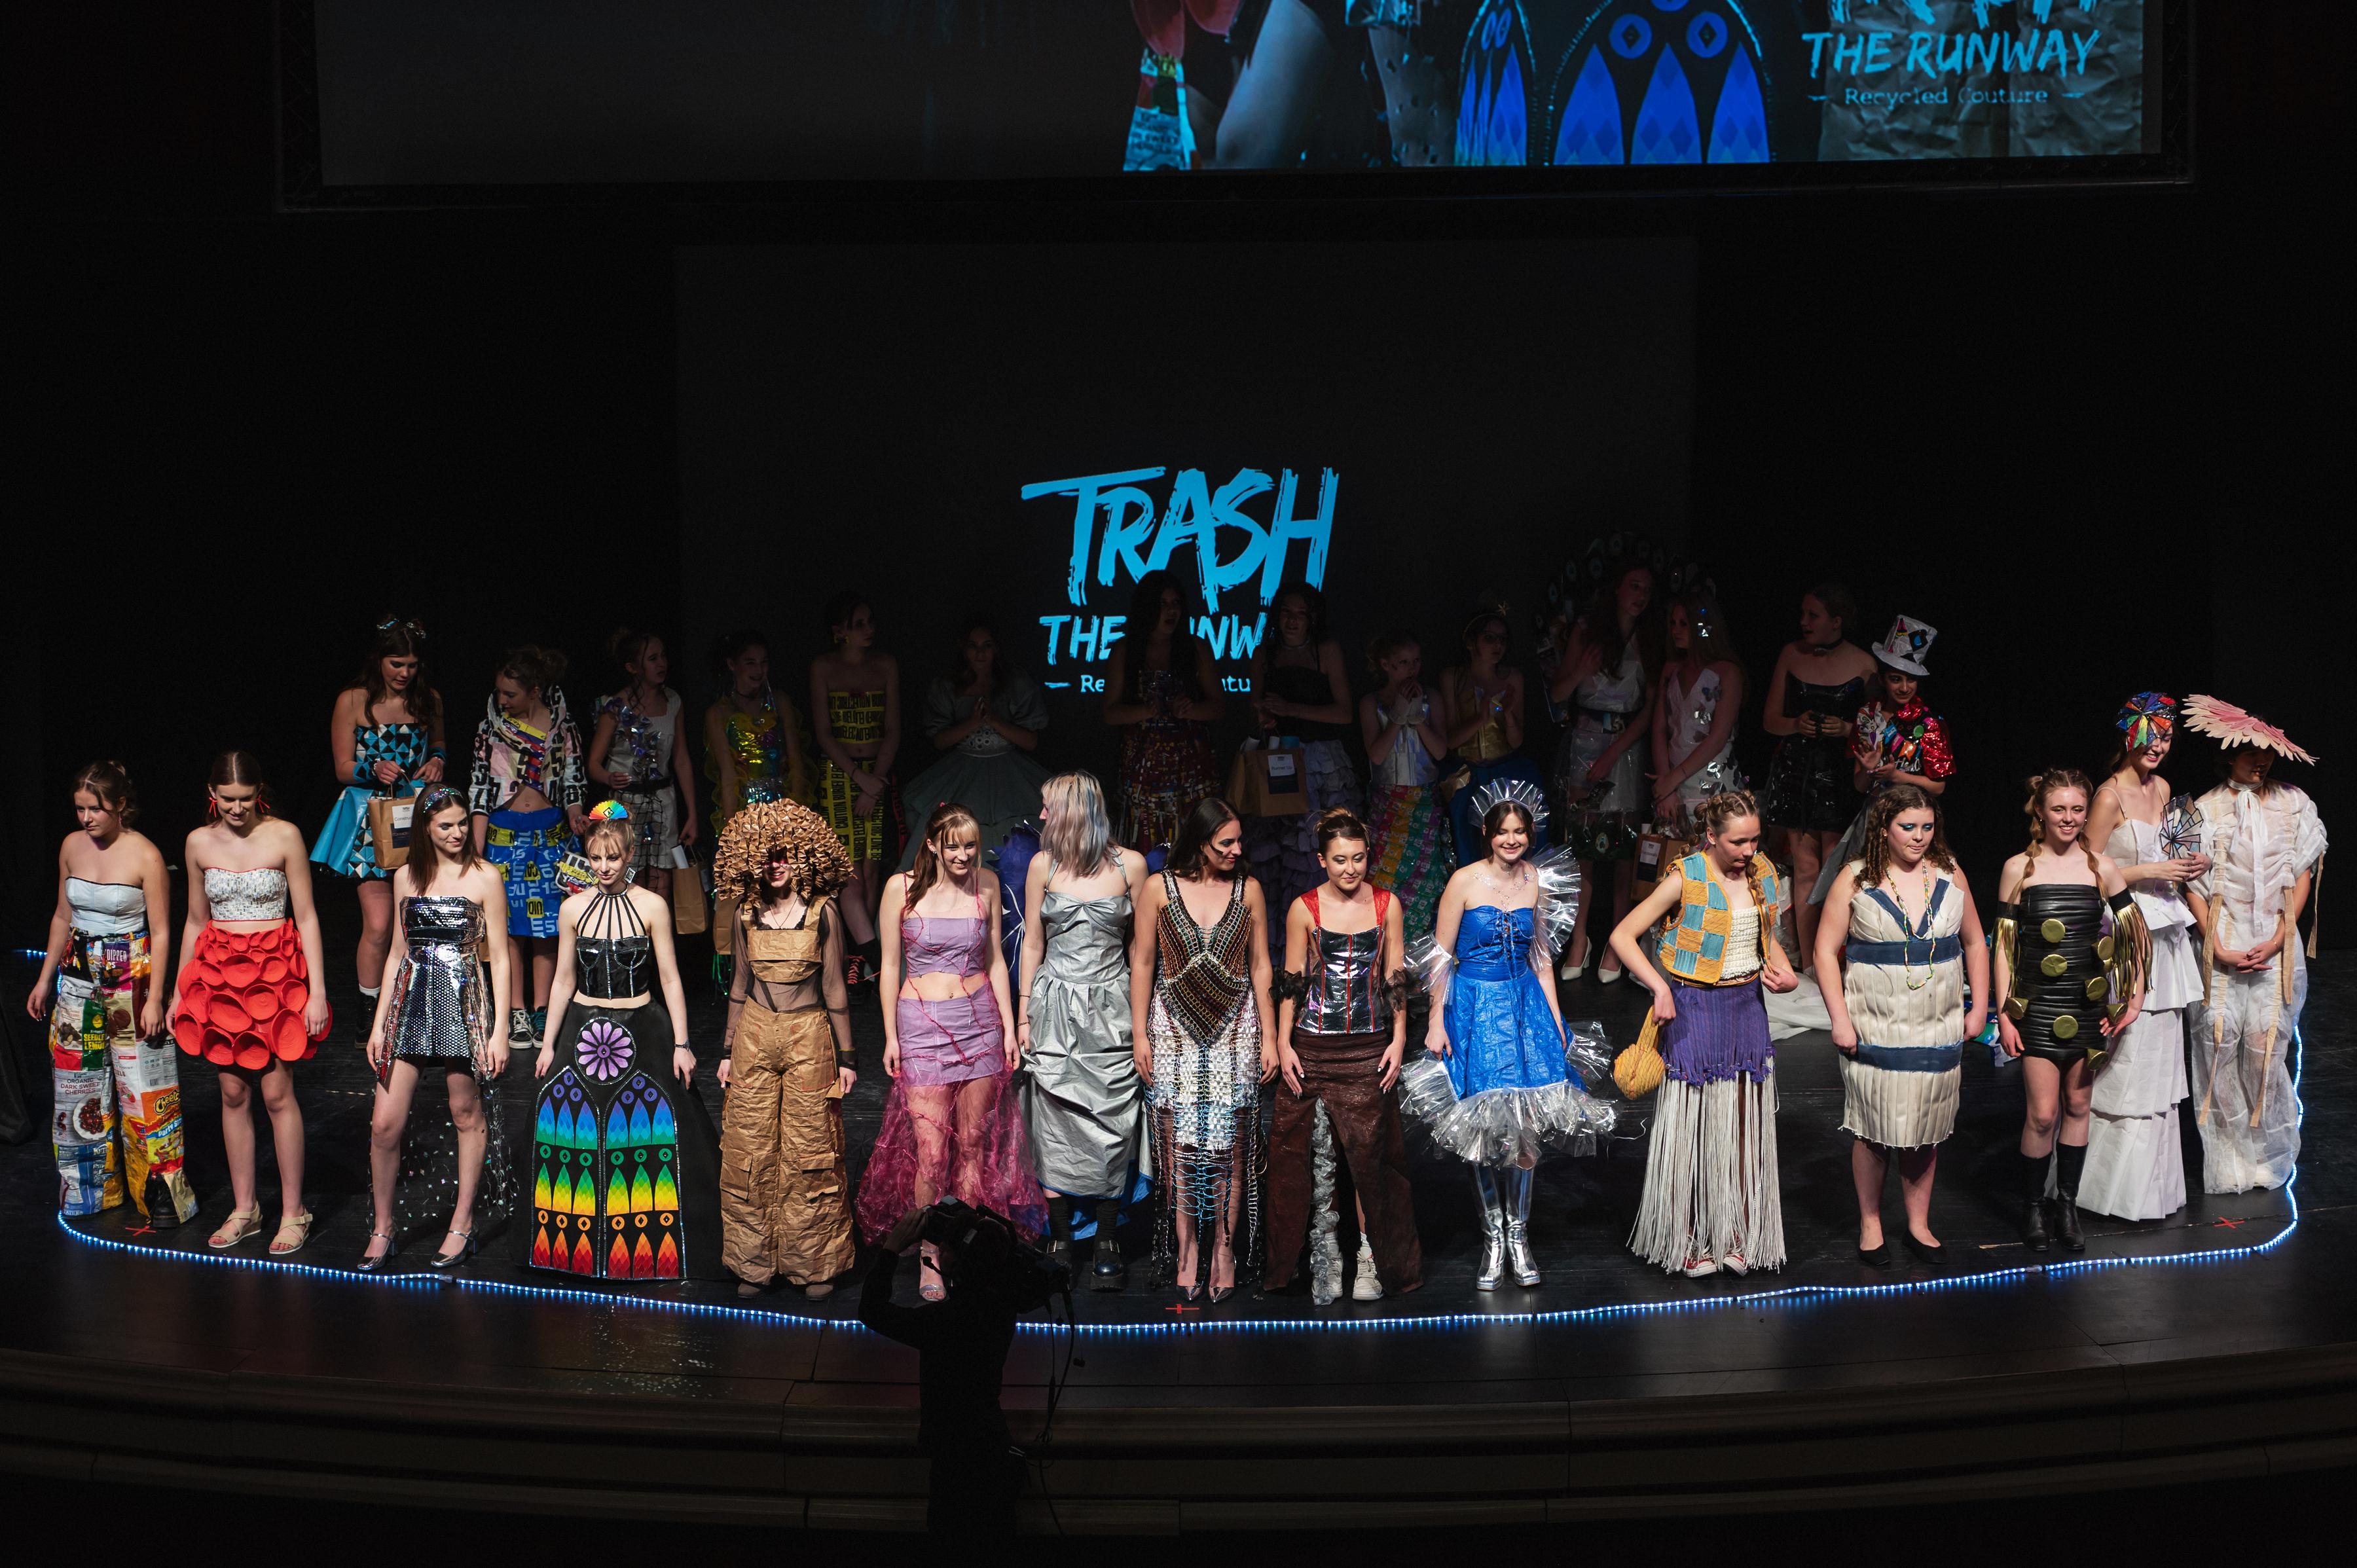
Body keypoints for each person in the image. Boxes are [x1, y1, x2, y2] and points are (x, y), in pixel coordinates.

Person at [1400, 784, 1613, 1290]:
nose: (1512, 839)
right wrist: (1434, 1020)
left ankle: (1519, 1235)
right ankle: (1493, 1235)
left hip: (1522, 1007)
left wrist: (1556, 1018)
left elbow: (1541, 958)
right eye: (1504, 832)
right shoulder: (1463, 881)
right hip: (1475, 1006)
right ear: (1488, 835)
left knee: (1526, 1127)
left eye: (1520, 831)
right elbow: (1441, 957)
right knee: (1482, 1127)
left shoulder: (1537, 880)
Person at [521, 801, 724, 1281]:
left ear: (630, 853)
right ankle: (577, 1254)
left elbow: (672, 979)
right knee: (576, 1135)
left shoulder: (652, 905)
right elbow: (563, 980)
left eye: (613, 857)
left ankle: (654, 1252)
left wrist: (682, 1042)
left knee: (652, 1134)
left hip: (643, 1031)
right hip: (583, 1032)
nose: (605, 867)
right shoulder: (572, 908)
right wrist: (548, 1042)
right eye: (597, 857)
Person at [859, 804, 1046, 1300]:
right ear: (933, 846)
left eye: (970, 845)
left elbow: (995, 962)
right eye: (954, 846)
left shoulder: (986, 883)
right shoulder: (900, 889)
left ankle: (963, 1251)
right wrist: (891, 1036)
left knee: (972, 1146)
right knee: (930, 1151)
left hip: (980, 1022)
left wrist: (1008, 1026)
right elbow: (890, 968)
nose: (963, 855)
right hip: (921, 1027)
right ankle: (928, 1256)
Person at [1613, 789, 1800, 1278]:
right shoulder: (1686, 876)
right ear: (1712, 836)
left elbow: (1768, 941)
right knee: (1690, 1126)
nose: (1749, 851)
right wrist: (1658, 986)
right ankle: (1689, 1236)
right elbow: (1622, 935)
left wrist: (1788, 974)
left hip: (1747, 1007)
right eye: (1739, 842)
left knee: (1743, 1122)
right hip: (1694, 1004)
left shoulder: (1764, 875)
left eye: (1756, 840)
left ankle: (1738, 1232)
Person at [1812, 785, 1988, 1266]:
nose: (1919, 836)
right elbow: (1825, 951)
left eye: (1927, 826)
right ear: (1884, 829)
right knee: (1874, 1126)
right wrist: (1840, 1019)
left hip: (1937, 1023)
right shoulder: (1855, 878)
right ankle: (1871, 1224)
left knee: (1927, 1124)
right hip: (1875, 1022)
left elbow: (1975, 941)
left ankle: (1917, 1223)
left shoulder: (1950, 873)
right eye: (1908, 827)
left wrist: (1980, 1008)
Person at [168, 752, 332, 1254]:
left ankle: (293, 1211)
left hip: (277, 976)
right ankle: (246, 1208)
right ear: (211, 793)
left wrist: (319, 989)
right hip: (220, 976)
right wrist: (179, 988)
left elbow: (306, 915)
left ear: (259, 792)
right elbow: (196, 920)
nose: (236, 809)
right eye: (227, 799)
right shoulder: (198, 841)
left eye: (244, 799)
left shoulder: (284, 835)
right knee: (233, 1095)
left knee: (278, 1095)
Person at [31, 761, 197, 1226]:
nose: (86, 818)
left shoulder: (145, 854)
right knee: (76, 1082)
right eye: (81, 809)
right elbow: (62, 916)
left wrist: (156, 997)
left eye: (96, 809)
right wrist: (46, 978)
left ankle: (160, 1191)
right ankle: (89, 1188)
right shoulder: (70, 846)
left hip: (131, 971)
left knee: (144, 1083)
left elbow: (162, 931)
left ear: (120, 805)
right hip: (79, 972)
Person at [1266, 809, 1421, 1304]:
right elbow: (1292, 980)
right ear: (1321, 860)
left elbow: (1396, 977)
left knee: (1370, 1159)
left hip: (1368, 1044)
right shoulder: (1303, 908)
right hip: (1313, 1044)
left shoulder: (1386, 904)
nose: (1350, 868)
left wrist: (1399, 1039)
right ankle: (1325, 1256)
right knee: (1311, 1156)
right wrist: (1284, 1042)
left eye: (1358, 858)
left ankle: (1371, 1260)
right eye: (1339, 860)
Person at [1992, 769, 2149, 1254]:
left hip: (2087, 1007)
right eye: (2059, 808)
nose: (2069, 817)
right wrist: (2003, 1012)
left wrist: (2134, 997)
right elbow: (2005, 946)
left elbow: (2133, 935)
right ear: (2040, 810)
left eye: (2077, 809)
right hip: (2038, 1006)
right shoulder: (2020, 867)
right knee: (2042, 1113)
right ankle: (2033, 1205)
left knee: (2079, 1106)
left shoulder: (2101, 866)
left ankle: (2067, 1204)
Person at [358, 788, 516, 1271]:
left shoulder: (486, 876)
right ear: (426, 827)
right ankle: (382, 1227)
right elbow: (396, 953)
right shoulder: (406, 876)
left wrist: (500, 1029)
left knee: (465, 1109)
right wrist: (380, 1022)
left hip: (462, 999)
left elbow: (503, 959)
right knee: (385, 1123)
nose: (457, 832)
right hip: (410, 999)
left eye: (462, 823)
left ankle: (462, 1223)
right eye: (445, 825)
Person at [713, 799, 861, 1298]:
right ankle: (753, 1264)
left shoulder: (824, 914)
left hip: (808, 1035)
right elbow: (738, 984)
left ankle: (813, 1264)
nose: (776, 864)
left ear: (804, 857)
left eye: (786, 855)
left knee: (810, 1148)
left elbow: (836, 986)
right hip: (755, 1033)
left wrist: (848, 1056)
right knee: (749, 1146)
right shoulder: (745, 914)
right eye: (768, 856)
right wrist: (729, 1049)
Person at [1130, 798, 1275, 1300]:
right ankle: (1188, 1248)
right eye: (1225, 843)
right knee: (1181, 1146)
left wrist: (1271, 1036)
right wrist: (1140, 1033)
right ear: (1199, 842)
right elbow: (1143, 961)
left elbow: (1260, 966)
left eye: (1239, 841)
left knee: (1230, 1146)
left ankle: (1224, 1250)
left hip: (1237, 1026)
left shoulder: (1248, 890)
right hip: (1173, 1028)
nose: (1237, 850)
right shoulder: (1158, 888)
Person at [2182, 695, 2325, 1195]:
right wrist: (2214, 943)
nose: (2260, 761)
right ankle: (2230, 1157)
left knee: (2265, 1049)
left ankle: (2267, 1153)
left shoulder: (2294, 802)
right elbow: (2189, 886)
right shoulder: (2203, 808)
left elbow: (2302, 872)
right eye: (2249, 753)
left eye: (2265, 753)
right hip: (2223, 946)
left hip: (2272, 943)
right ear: (2228, 756)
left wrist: (2280, 936)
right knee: (2219, 1045)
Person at [1015, 772, 1150, 1290]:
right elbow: (1032, 942)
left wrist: (1141, 1023)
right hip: (1055, 1006)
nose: (1042, 817)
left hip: (1111, 1006)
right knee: (1051, 1119)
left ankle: (1109, 1235)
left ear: (1072, 811)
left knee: (1115, 1120)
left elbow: (1142, 952)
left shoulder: (1130, 864)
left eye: (1048, 808)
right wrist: (1026, 1012)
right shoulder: (1041, 865)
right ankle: (1061, 1237)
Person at [2081, 694, 2206, 1219]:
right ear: (2129, 736)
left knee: (2159, 1053)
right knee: (2127, 1050)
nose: (2158, 746)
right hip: (2128, 922)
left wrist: (2189, 863)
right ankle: (2101, 1189)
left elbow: (2170, 853)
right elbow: (2086, 868)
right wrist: (2147, 875)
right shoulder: (2109, 796)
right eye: (2150, 736)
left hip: (2169, 927)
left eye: (2167, 738)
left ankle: (2152, 1190)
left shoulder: (2166, 790)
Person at [310, 615, 447, 1038]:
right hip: (371, 820)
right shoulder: (352, 700)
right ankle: (369, 1007)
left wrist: (438, 758)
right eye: (396, 663)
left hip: (416, 816)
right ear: (379, 660)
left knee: (419, 919)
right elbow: (342, 767)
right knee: (379, 923)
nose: (404, 673)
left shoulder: (430, 700)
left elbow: (439, 743)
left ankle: (415, 1002)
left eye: (411, 664)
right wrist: (373, 766)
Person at [861, 1204, 1029, 1539]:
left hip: (954, 1459)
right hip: (992, 1444)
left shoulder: (942, 1324)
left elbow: (872, 1311)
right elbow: (1006, 1262)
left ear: (950, 1260)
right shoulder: (1004, 1307)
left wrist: (893, 1247)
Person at [468, 644, 589, 1049]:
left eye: (510, 694)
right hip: (505, 837)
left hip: (550, 836)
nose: (502, 700)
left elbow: (573, 780)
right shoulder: (491, 729)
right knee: (508, 930)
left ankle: (541, 1009)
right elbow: (481, 789)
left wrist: (576, 814)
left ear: (535, 691)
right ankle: (515, 1011)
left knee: (547, 928)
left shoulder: (563, 728)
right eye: (499, 693)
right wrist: (477, 849)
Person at [1549, 562, 1660, 982]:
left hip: (1626, 747)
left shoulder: (1650, 639)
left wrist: (1615, 752)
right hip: (1584, 741)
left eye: (1647, 587)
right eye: (1634, 584)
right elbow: (1558, 693)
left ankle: (1618, 939)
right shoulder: (1587, 630)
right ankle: (1580, 938)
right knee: (1584, 851)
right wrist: (1579, 671)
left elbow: (1649, 708)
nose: (1641, 594)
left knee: (1622, 850)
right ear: (1617, 589)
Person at [1759, 584, 1878, 971]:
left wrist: (1846, 729)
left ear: (1836, 621)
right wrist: (1797, 723)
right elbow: (1769, 720)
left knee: (1837, 868)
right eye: (1803, 615)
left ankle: (1833, 963)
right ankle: (1810, 967)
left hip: (1843, 774)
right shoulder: (1791, 654)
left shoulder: (1864, 664)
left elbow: (1878, 727)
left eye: (1813, 615)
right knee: (1806, 868)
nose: (1803, 622)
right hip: (1798, 770)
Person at [1246, 581, 1361, 957]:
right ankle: (1285, 959)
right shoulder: (1265, 653)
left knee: (1317, 848)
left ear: (1313, 618)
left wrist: (1290, 709)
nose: (1292, 621)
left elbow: (1344, 712)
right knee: (1279, 858)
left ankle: (1328, 946)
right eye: (1286, 613)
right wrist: (1266, 717)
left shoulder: (1325, 651)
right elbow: (1257, 707)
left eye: (1300, 613)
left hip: (1321, 763)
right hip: (1279, 761)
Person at [1808, 615, 1954, 905]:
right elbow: (1860, 785)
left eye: (1911, 679)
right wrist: (1872, 770)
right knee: (1868, 893)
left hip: (1916, 821)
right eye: (1895, 678)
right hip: (1875, 820)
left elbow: (1938, 788)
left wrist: (1898, 777)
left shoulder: (1928, 723)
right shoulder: (1866, 717)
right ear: (1883, 679)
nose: (1904, 687)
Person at [896, 617, 1050, 871]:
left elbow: (1031, 741)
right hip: (962, 771)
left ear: (996, 649)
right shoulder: (948, 686)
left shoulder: (1015, 684)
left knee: (1014, 836)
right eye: (973, 646)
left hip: (1009, 774)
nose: (980, 653)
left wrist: (995, 720)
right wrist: (971, 723)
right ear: (963, 648)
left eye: (987, 645)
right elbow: (939, 741)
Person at [702, 629, 810, 990]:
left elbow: (795, 761)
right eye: (750, 662)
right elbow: (728, 774)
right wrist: (733, 829)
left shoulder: (779, 703)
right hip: (744, 808)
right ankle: (738, 972)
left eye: (764, 663)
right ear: (732, 665)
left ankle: (786, 958)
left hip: (781, 806)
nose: (758, 669)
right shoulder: (720, 713)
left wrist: (794, 815)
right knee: (742, 886)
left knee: (782, 883)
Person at [810, 591, 899, 973]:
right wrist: (858, 777)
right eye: (858, 624)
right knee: (848, 874)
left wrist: (875, 779)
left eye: (870, 622)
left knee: (871, 870)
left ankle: (861, 962)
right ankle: (870, 957)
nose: (868, 630)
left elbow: (893, 729)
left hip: (877, 776)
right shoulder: (823, 668)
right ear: (839, 631)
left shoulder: (885, 665)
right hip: (840, 777)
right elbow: (824, 734)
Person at [1104, 569, 1223, 852]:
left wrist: (1192, 710)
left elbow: (1219, 707)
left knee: (1194, 843)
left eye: (1176, 604)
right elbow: (1109, 713)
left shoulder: (1195, 647)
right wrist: (1145, 711)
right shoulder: (1125, 650)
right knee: (1145, 845)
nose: (1171, 611)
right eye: (1163, 604)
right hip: (1143, 770)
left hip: (1191, 770)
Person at [585, 628, 699, 904]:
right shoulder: (615, 707)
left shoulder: (673, 701)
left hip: (663, 802)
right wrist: (610, 778)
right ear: (633, 668)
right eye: (652, 659)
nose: (661, 663)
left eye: (663, 656)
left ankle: (656, 940)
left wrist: (692, 813)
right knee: (629, 877)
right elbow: (593, 765)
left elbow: (681, 758)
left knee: (662, 880)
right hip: (626, 804)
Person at [1359, 629, 1455, 943]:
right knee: (1385, 874)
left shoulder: (1432, 699)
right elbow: (1375, 753)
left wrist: (1417, 720)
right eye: (1403, 662)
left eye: (1416, 661)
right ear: (1386, 665)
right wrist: (1398, 716)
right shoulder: (1371, 703)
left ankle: (1418, 956)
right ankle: (1385, 950)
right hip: (1388, 803)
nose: (1412, 669)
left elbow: (1440, 751)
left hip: (1424, 802)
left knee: (1425, 876)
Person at [1440, 606, 1546, 867]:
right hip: (1467, 776)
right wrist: (1480, 717)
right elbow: (1449, 742)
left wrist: (1508, 714)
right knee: (1467, 849)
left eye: (1502, 639)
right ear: (1471, 641)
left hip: (1506, 776)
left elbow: (1516, 741)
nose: (1497, 645)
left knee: (1509, 847)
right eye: (1489, 637)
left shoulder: (1512, 678)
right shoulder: (1453, 678)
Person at [1648, 591, 1745, 828]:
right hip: (1673, 782)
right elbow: (1659, 729)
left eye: (1684, 624)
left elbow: (1718, 737)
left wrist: (1673, 778)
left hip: (1713, 780)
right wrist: (1666, 786)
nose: (1676, 630)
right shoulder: (1671, 669)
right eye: (1673, 623)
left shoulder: (1728, 672)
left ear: (1703, 627)